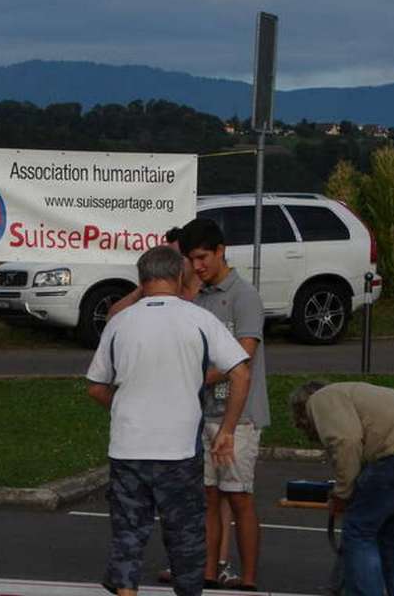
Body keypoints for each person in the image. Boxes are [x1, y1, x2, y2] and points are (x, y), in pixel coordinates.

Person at [87, 245, 251, 596]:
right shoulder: (199, 319)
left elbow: (96, 386)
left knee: (128, 534)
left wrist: (124, 405)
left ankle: (127, 591)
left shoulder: (119, 322)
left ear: (141, 279)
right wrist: (227, 430)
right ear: (179, 277)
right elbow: (240, 372)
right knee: (185, 539)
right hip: (178, 451)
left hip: (128, 447)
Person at [290, 381, 394, 596]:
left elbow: (346, 442)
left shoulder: (322, 398)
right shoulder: (361, 394)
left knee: (359, 530)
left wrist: (342, 494)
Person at [178, 217, 269, 591]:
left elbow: (242, 357)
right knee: (209, 496)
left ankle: (247, 579)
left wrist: (194, 377)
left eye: (202, 257)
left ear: (220, 251)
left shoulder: (244, 295)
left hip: (240, 415)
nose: (197, 266)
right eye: (190, 259)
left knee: (239, 497)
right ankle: (209, 571)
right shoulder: (196, 297)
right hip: (204, 413)